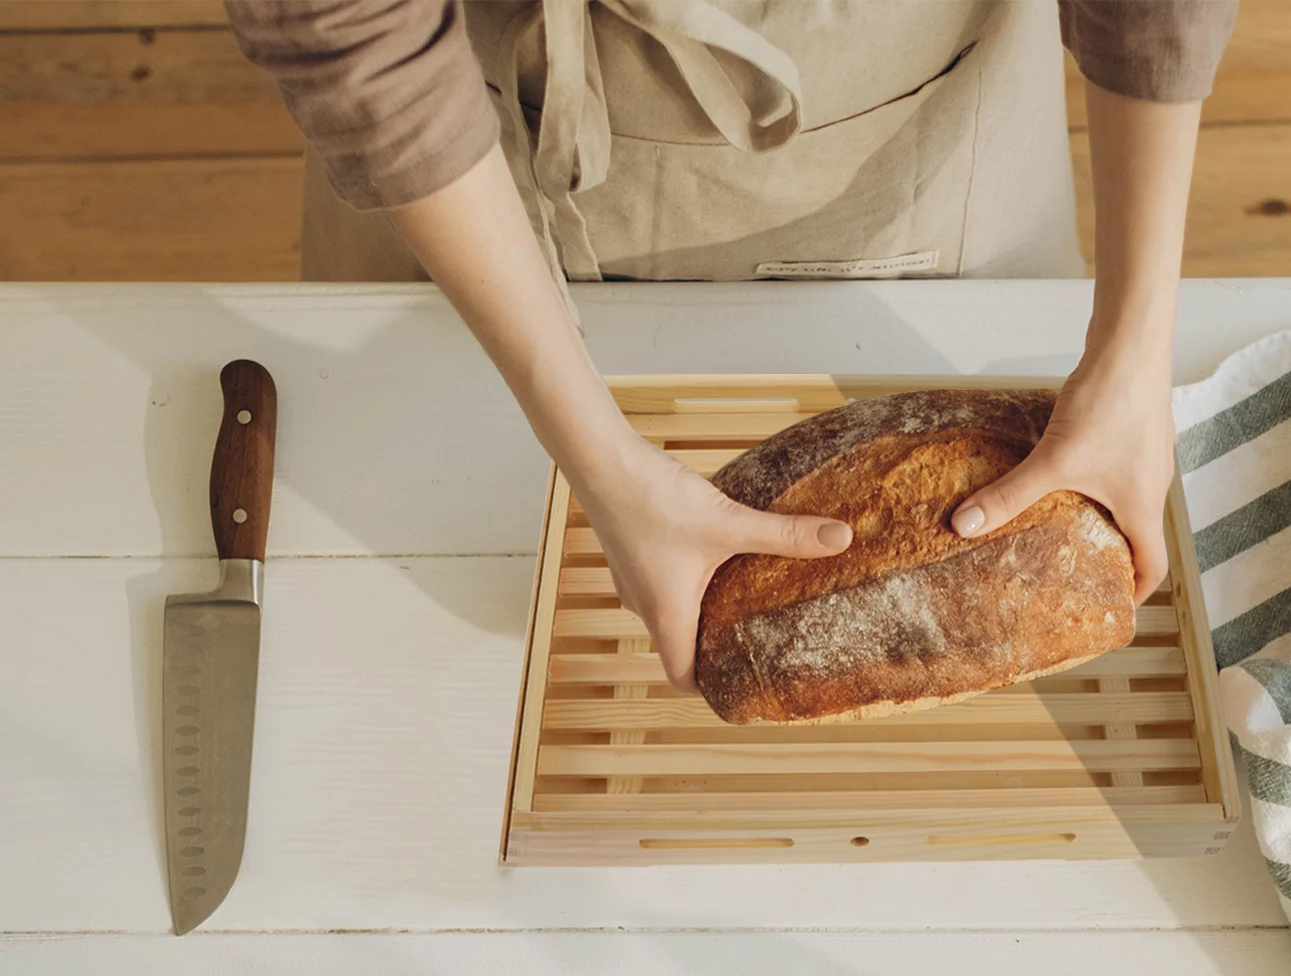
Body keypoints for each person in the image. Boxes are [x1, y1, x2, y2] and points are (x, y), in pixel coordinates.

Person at [227, 1, 1236, 690]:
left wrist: (1134, 347)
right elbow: (342, 21)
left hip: (921, 128)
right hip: (457, 157)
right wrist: (595, 455)